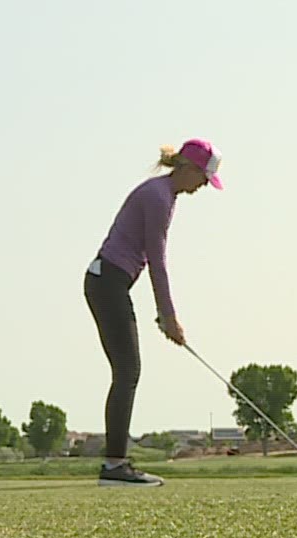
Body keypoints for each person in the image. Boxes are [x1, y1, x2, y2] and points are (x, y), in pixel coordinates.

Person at [83, 139, 222, 487]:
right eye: (203, 177)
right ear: (187, 168)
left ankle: (115, 464)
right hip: (107, 282)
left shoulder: (163, 194)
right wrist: (170, 315)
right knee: (128, 370)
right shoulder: (158, 198)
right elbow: (157, 261)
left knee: (127, 370)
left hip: (110, 281)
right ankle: (115, 466)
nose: (204, 185)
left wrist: (163, 314)